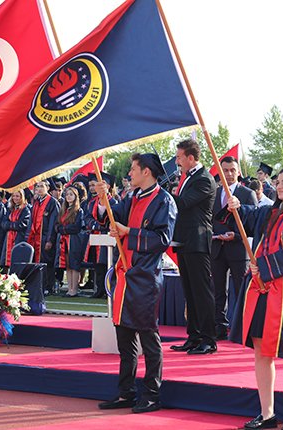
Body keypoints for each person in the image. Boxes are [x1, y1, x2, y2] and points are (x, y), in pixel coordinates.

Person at [228, 153, 283, 430]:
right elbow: (248, 215)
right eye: (278, 182)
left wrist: (263, 266)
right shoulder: (269, 212)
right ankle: (267, 414)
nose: (279, 186)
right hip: (260, 290)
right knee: (261, 353)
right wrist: (236, 205)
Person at [96, 153, 176, 414]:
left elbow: (162, 239)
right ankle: (126, 392)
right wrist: (102, 198)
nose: (129, 173)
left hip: (145, 277)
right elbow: (110, 216)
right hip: (125, 273)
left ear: (147, 171)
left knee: (148, 338)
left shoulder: (164, 200)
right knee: (125, 338)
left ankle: (152, 394)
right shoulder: (132, 197)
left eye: (133, 169)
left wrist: (129, 231)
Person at [170, 138, 218, 354]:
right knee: (190, 292)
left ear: (191, 158)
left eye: (179, 157)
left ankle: (209, 338)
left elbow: (183, 203)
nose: (177, 162)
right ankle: (194, 335)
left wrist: (162, 192)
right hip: (184, 240)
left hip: (197, 241)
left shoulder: (204, 179)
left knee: (202, 292)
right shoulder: (188, 177)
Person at [211, 155, 257, 341]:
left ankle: (242, 328)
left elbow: (253, 222)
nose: (229, 174)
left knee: (241, 290)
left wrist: (236, 236)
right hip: (216, 247)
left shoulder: (247, 194)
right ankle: (219, 328)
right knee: (217, 291)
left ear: (238, 172)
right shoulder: (214, 193)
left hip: (238, 249)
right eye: (225, 170)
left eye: (232, 170)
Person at [83, 172, 117, 298]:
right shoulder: (92, 202)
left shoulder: (113, 202)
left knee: (107, 264)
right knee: (97, 265)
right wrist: (94, 225)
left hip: (107, 236)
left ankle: (108, 289)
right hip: (95, 236)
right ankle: (99, 289)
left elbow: (111, 218)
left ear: (107, 187)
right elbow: (87, 217)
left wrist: (101, 226)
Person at [26, 180, 59, 295]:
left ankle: (48, 286)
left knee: (47, 263)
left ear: (48, 188)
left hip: (45, 237)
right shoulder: (36, 202)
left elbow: (53, 223)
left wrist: (50, 239)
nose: (38, 189)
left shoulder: (52, 203)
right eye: (37, 187)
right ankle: (39, 285)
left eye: (41, 186)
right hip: (36, 237)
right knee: (37, 262)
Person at [55, 186, 84, 297]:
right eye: (67, 194)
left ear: (75, 197)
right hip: (64, 240)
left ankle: (74, 289)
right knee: (67, 264)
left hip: (74, 240)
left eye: (71, 194)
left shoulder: (78, 210)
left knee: (74, 264)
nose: (68, 196)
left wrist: (63, 229)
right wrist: (60, 229)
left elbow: (77, 227)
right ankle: (69, 288)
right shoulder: (63, 210)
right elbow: (57, 224)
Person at [0, 189, 31, 266]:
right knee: (6, 263)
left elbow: (21, 224)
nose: (15, 198)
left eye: (17, 196)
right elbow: (3, 223)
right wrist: (12, 225)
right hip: (8, 239)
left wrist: (9, 225)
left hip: (19, 238)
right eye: (13, 196)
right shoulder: (10, 208)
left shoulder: (26, 210)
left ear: (22, 197)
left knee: (17, 261)